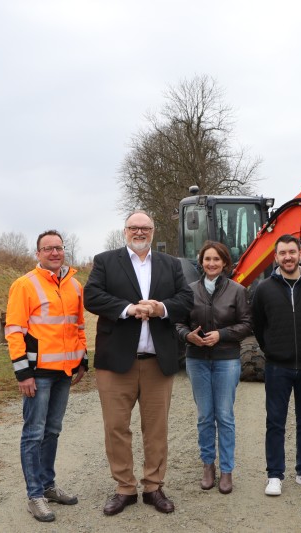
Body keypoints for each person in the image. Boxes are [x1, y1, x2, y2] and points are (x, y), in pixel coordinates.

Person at [84, 211, 193, 516]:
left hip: (158, 361)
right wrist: (128, 309)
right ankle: (124, 487)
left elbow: (186, 299)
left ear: (153, 231)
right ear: (125, 231)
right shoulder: (106, 261)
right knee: (116, 427)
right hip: (116, 361)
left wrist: (161, 308)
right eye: (134, 227)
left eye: (145, 227)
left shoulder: (170, 264)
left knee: (156, 429)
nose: (140, 231)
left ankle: (153, 486)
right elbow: (91, 297)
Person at [4, 230, 88, 523]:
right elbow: (14, 330)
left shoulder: (75, 285)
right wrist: (22, 372)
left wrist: (82, 360)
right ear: (38, 253)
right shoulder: (24, 285)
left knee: (52, 431)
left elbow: (78, 326)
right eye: (48, 248)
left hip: (64, 373)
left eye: (59, 248)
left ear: (64, 251)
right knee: (34, 433)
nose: (54, 253)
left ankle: (48, 485)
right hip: (37, 375)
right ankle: (35, 495)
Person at [251, 234, 301, 497]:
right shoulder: (263, 289)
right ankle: (274, 475)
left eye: (292, 252)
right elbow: (258, 327)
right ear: (275, 257)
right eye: (282, 253)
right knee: (275, 422)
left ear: (300, 255)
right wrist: (273, 350)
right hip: (277, 367)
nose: (287, 257)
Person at [176, 241, 253, 495]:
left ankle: (227, 470)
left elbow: (246, 324)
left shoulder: (237, 291)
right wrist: (188, 336)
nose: (211, 263)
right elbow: (177, 323)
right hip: (196, 360)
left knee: (225, 416)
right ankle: (208, 466)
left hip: (226, 360)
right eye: (207, 259)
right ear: (201, 262)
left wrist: (222, 334)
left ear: (225, 264)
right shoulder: (188, 291)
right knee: (205, 416)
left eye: (216, 260)